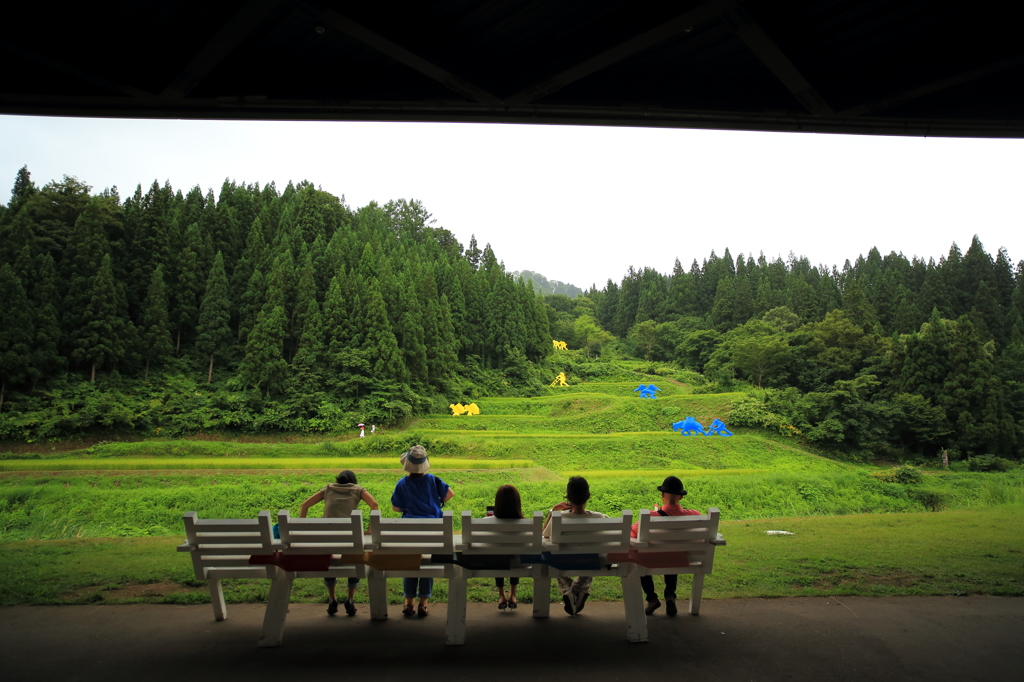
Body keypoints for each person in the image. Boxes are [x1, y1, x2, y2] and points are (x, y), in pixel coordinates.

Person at [299, 470, 379, 616]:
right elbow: (374, 504)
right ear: (353, 482)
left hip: (328, 537)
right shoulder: (358, 490)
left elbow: (304, 505)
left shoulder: (328, 489)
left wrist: (302, 527)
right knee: (356, 558)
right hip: (350, 537)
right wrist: (370, 529)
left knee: (328, 560)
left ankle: (332, 597)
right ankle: (350, 598)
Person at [390, 445, 455, 617]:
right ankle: (423, 603)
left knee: (411, 563)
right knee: (428, 564)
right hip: (432, 532)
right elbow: (450, 494)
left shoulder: (402, 483)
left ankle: (408, 602)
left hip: (409, 533)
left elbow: (396, 508)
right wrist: (437, 501)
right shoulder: (434, 480)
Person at [630, 475, 703, 616]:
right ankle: (670, 594)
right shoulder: (695, 515)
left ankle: (651, 597)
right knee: (674, 552)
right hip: (680, 559)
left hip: (652, 560)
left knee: (637, 556)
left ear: (662, 495)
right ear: (680, 497)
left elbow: (633, 533)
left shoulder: (649, 517)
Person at [542, 476, 607, 616]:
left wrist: (553, 511)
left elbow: (544, 536)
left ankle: (569, 591)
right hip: (591, 562)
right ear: (588, 496)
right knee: (592, 557)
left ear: (568, 498)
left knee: (552, 558)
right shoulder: (600, 518)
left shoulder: (559, 518)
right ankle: (577, 590)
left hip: (563, 561)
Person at [492, 484, 524, 610]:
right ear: (517, 503)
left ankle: (501, 595)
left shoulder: (486, 522)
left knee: (498, 556)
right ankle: (513, 594)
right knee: (514, 554)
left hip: (495, 564)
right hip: (518, 563)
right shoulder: (525, 525)